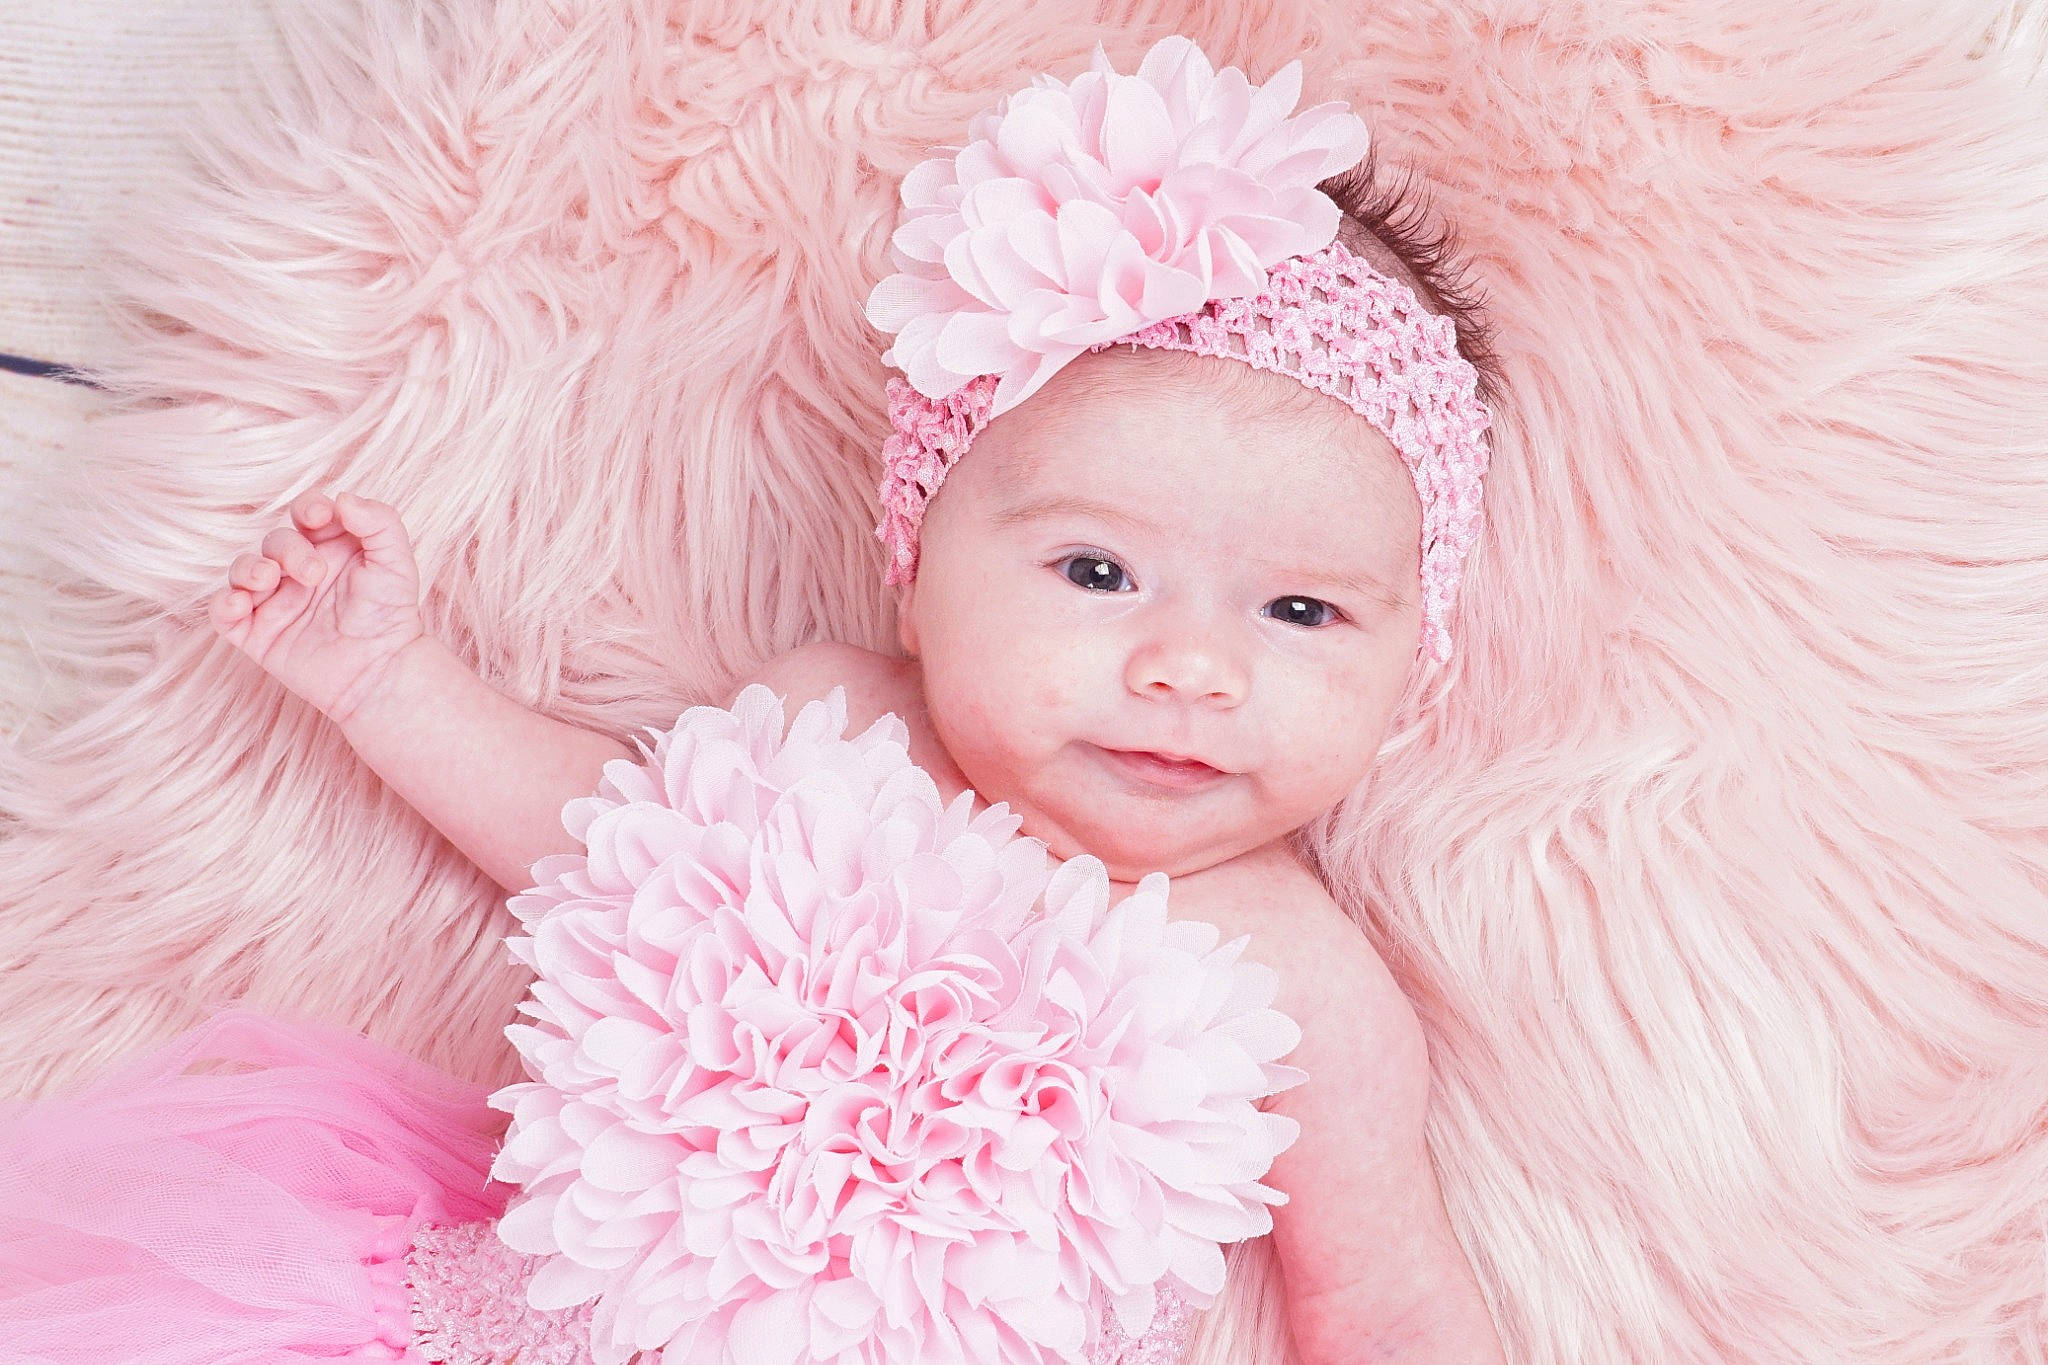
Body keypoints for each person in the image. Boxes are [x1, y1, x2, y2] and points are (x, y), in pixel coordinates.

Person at [1, 34, 1507, 1365]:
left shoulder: (1304, 979)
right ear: (917, 568)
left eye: (1300, 610)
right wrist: (388, 680)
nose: (1190, 665)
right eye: (1097, 571)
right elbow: (604, 854)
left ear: (1407, 659)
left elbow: (1381, 1308)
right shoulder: (843, 725)